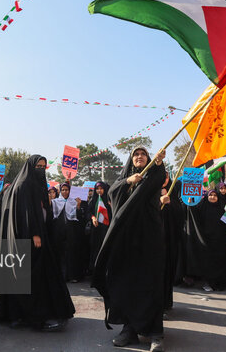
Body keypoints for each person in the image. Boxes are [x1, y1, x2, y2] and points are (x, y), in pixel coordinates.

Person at [92, 147, 167, 352]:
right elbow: (112, 191)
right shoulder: (124, 179)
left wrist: (159, 163)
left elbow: (157, 179)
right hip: (126, 242)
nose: (139, 157)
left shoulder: (153, 176)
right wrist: (128, 182)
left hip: (149, 240)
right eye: (136, 154)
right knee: (126, 284)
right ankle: (129, 329)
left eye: (143, 154)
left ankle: (155, 333)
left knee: (150, 284)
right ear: (131, 160)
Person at [0, 155, 74, 331]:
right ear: (30, 167)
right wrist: (34, 233)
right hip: (26, 240)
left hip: (38, 238)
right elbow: (25, 213)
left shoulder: (36, 186)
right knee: (26, 278)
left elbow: (41, 211)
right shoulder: (23, 186)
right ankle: (24, 316)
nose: (41, 169)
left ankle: (43, 313)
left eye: (44, 166)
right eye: (38, 166)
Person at [185, 189, 226, 293]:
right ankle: (208, 283)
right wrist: (190, 203)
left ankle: (220, 284)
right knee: (208, 263)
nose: (213, 197)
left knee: (221, 262)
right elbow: (194, 215)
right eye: (211, 195)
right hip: (207, 241)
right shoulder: (202, 208)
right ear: (207, 197)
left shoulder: (221, 209)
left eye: (215, 195)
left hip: (221, 241)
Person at [51, 183, 86, 282]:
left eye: (67, 190)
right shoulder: (55, 202)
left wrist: (78, 205)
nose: (65, 192)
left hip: (71, 232)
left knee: (71, 254)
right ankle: (61, 276)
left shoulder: (74, 202)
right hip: (59, 232)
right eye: (63, 190)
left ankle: (72, 276)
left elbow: (79, 217)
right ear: (60, 191)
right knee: (60, 253)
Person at [160, 172, 184, 311]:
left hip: (170, 239)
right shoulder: (151, 190)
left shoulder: (173, 191)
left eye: (166, 177)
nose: (164, 180)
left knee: (168, 271)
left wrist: (170, 203)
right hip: (155, 240)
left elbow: (180, 213)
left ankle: (166, 303)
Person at [88, 181, 112, 273]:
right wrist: (93, 217)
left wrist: (111, 206)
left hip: (106, 229)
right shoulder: (93, 200)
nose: (99, 191)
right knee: (95, 250)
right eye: (97, 189)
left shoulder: (109, 200)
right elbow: (89, 212)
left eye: (101, 188)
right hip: (96, 229)